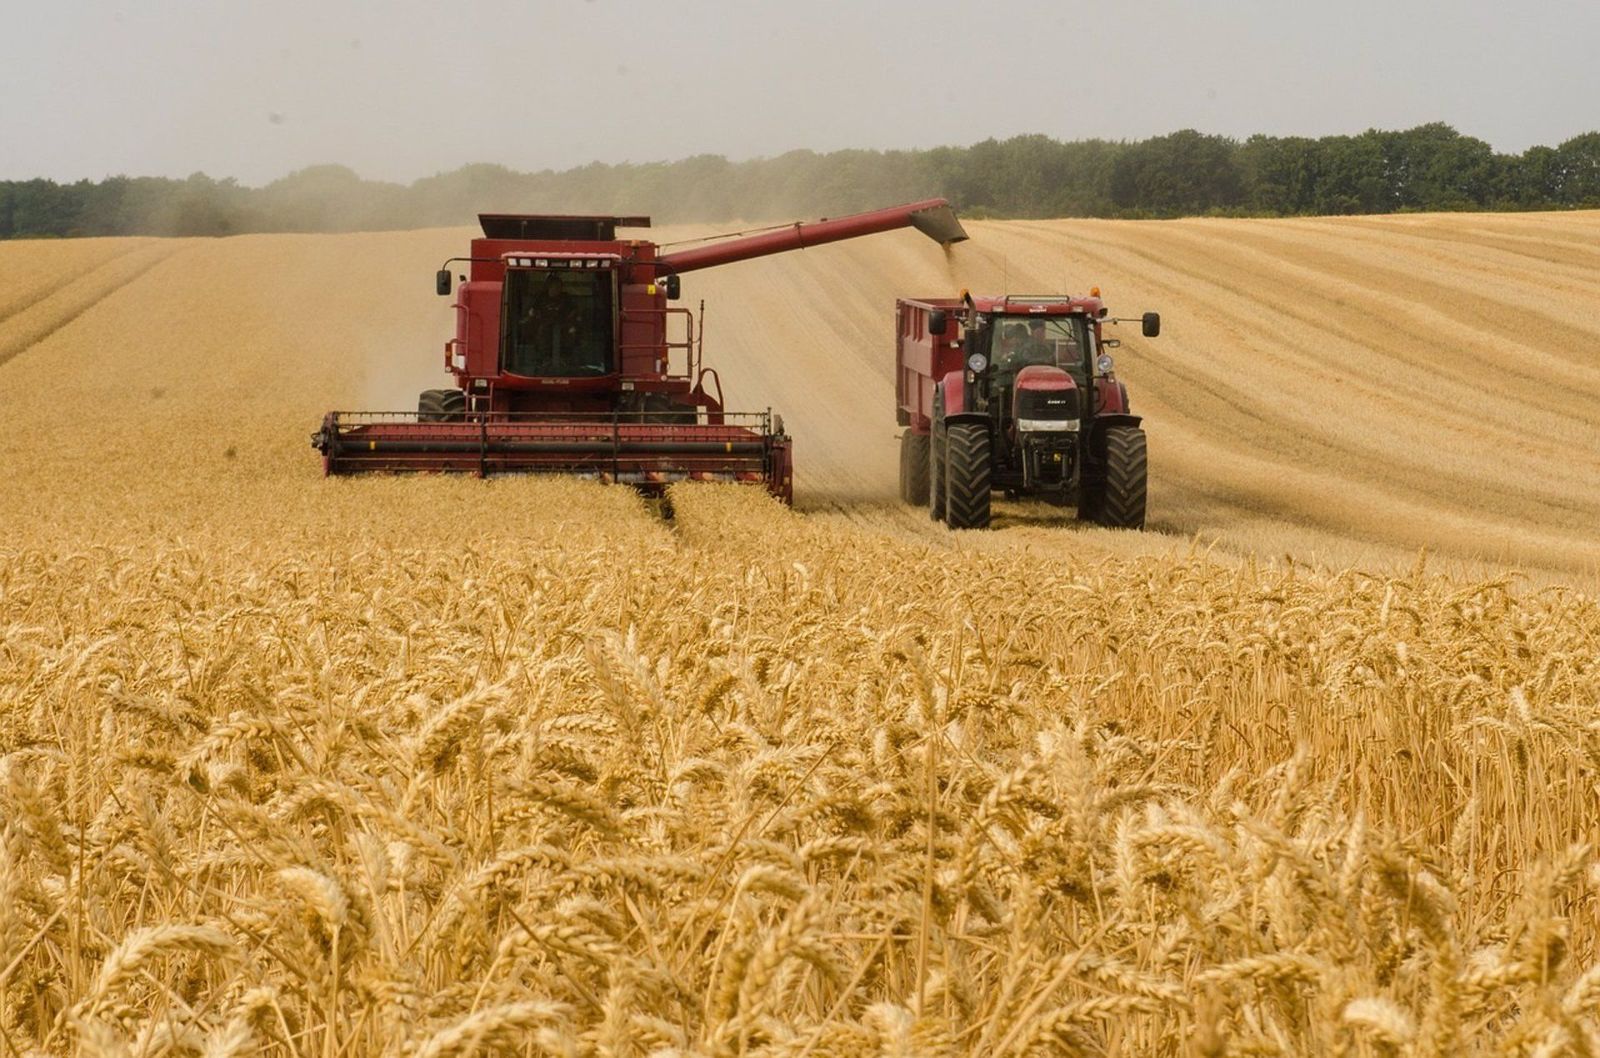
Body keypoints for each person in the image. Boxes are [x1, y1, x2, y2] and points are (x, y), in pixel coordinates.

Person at [522, 274, 581, 372]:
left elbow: (575, 310)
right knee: (540, 332)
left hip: (564, 324)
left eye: (559, 286)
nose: (557, 289)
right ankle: (545, 359)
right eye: (554, 286)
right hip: (544, 324)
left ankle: (565, 358)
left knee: (571, 333)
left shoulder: (566, 297)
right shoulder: (541, 297)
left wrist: (572, 319)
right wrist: (532, 316)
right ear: (548, 286)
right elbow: (532, 310)